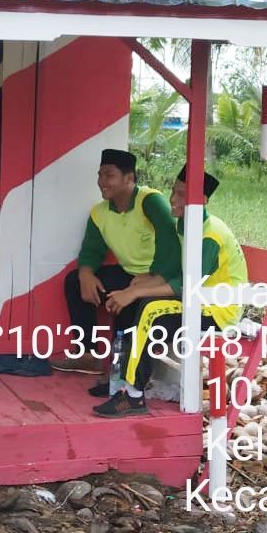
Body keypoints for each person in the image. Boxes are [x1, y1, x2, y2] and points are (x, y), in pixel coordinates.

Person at [92, 164, 248, 418]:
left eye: (182, 195)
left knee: (150, 308)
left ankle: (132, 396)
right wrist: (143, 283)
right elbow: (178, 271)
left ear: (202, 201)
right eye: (174, 191)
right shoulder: (186, 225)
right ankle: (123, 381)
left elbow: (188, 284)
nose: (173, 200)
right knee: (140, 298)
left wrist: (137, 293)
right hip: (198, 302)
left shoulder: (209, 235)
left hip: (217, 312)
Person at [61, 148, 182, 393]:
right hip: (129, 276)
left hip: (159, 279)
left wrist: (153, 277)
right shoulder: (99, 213)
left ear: (129, 178)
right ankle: (87, 355)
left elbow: (172, 244)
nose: (101, 182)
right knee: (74, 280)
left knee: (131, 308)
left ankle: (130, 377)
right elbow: (91, 250)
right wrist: (86, 273)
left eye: (109, 175)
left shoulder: (150, 201)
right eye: (100, 175)